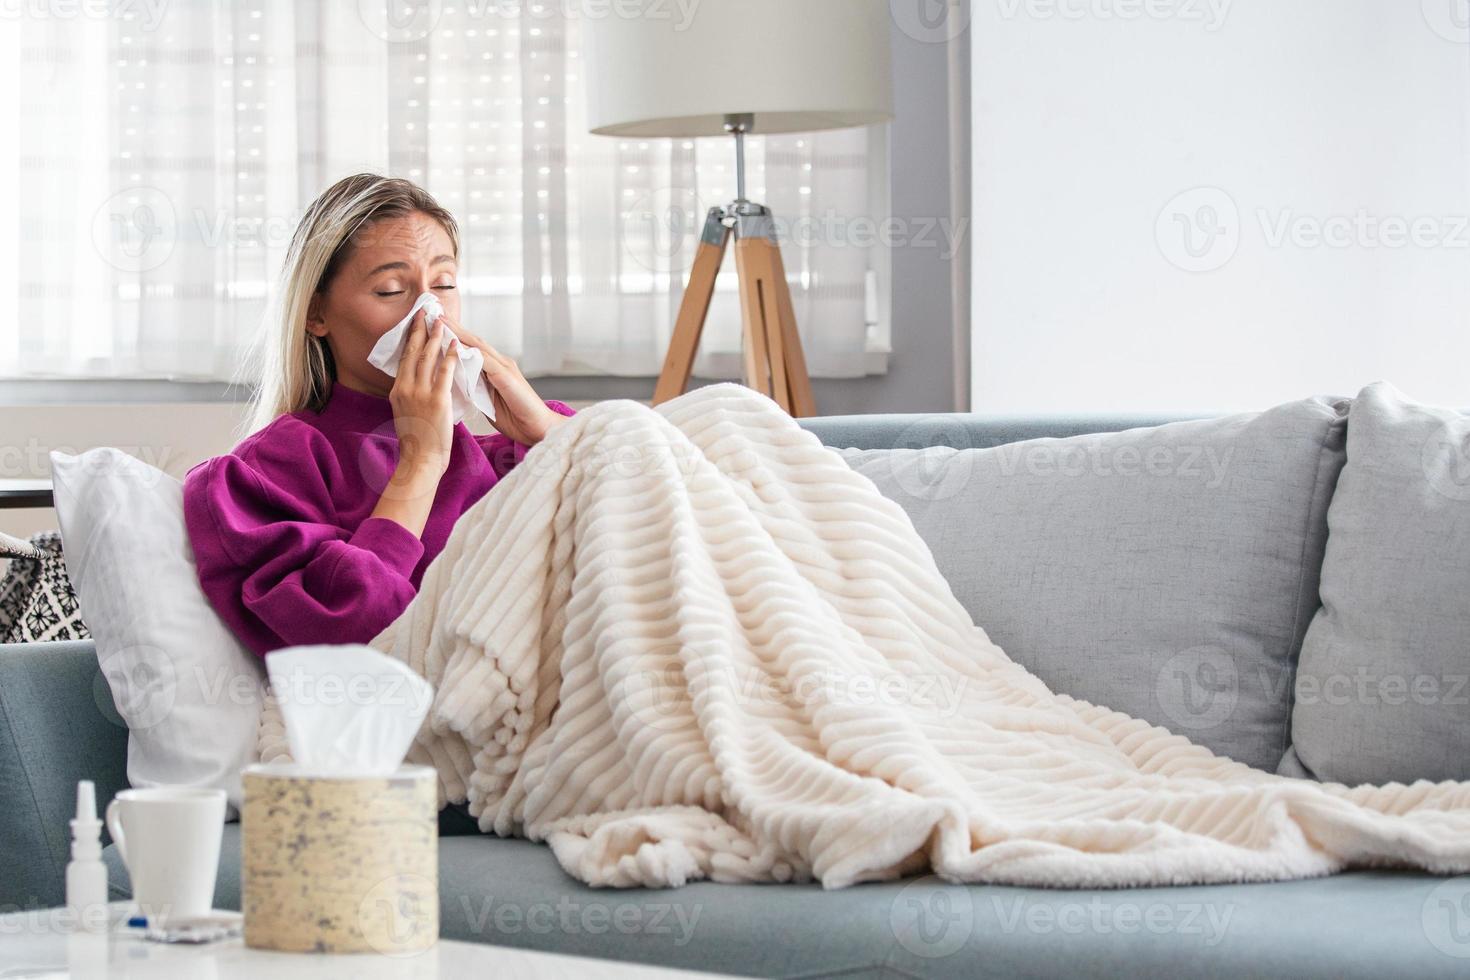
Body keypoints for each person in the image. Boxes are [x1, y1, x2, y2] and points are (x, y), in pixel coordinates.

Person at [183, 174, 576, 658]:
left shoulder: (505, 460)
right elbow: (352, 640)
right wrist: (420, 463)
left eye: (444, 284)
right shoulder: (267, 475)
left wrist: (547, 430)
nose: (428, 312)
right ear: (316, 313)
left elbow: (647, 519)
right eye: (391, 290)